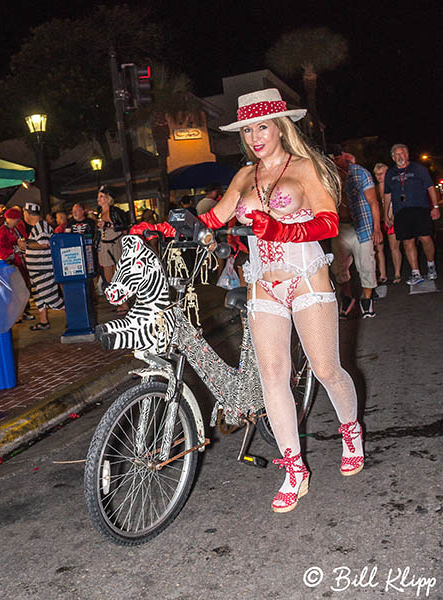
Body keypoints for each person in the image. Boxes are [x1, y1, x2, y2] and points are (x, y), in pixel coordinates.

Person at [131, 88, 363, 514]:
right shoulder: (243, 177)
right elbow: (213, 220)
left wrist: (281, 231)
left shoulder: (306, 167)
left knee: (327, 369)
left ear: (280, 127)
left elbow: (328, 219)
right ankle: (295, 471)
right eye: (247, 130)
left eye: (262, 127)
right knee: (273, 376)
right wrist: (167, 229)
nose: (255, 137)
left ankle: (351, 431)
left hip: (307, 280)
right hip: (263, 285)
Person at [330, 148, 382, 319]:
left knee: (366, 265)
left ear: (344, 157)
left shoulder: (361, 174)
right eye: (331, 159)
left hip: (362, 226)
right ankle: (347, 298)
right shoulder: (328, 176)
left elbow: (373, 202)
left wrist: (376, 229)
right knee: (339, 267)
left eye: (336, 158)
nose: (334, 162)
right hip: (339, 229)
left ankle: (367, 301)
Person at [384, 144, 440, 285]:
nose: (400, 157)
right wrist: (386, 214)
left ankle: (431, 264)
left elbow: (431, 187)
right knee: (407, 241)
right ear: (392, 157)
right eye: (396, 154)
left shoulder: (419, 169)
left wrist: (435, 207)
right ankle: (415, 272)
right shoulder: (390, 174)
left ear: (407, 155)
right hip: (401, 212)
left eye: (402, 153)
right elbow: (387, 195)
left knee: (425, 238)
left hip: (420, 209)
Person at [18, 202, 64, 330]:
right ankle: (44, 322)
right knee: (39, 297)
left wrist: (25, 245)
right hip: (37, 272)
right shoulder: (38, 226)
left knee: (52, 299)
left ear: (27, 213)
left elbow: (44, 244)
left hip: (43, 270)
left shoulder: (41, 226)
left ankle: (75, 317)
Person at [0, 207, 34, 321]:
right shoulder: (2, 232)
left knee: (22, 289)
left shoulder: (16, 228)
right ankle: (16, 315)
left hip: (20, 263)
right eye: (16, 219)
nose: (18, 221)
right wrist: (16, 249)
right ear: (11, 219)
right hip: (12, 265)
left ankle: (21, 313)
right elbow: (1, 249)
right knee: (16, 290)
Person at [374, 162, 402, 284]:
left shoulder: (395, 186)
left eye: (382, 174)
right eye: (376, 174)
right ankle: (383, 274)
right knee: (378, 249)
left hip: (392, 220)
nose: (379, 176)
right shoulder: (373, 188)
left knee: (394, 247)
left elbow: (401, 201)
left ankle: (397, 273)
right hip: (379, 222)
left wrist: (394, 217)